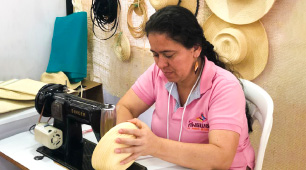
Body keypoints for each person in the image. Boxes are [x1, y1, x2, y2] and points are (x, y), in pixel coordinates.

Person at [114, 5, 255, 170]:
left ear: (195, 49)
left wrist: (155, 145)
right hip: (171, 165)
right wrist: (125, 142)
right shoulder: (156, 73)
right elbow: (125, 106)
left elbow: (220, 159)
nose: (160, 64)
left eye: (168, 55)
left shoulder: (224, 87)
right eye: (155, 54)